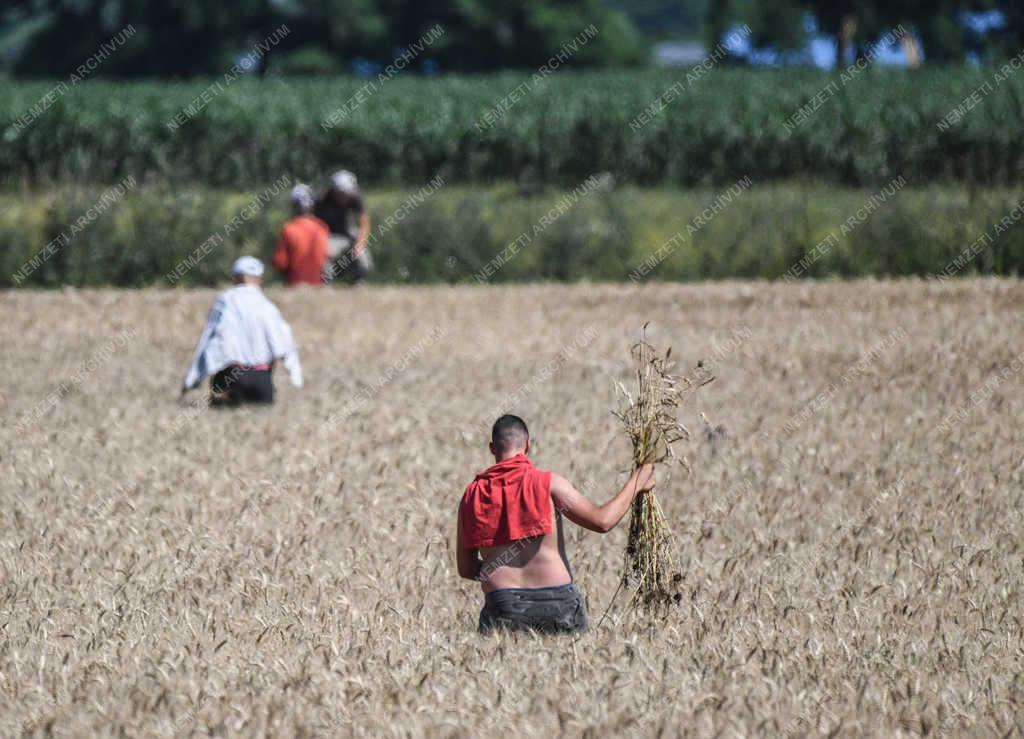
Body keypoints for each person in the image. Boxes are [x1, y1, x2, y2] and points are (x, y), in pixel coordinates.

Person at [456, 414, 656, 634]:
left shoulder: (472, 495)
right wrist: (637, 481)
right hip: (558, 603)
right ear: (528, 445)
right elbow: (603, 521)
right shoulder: (549, 484)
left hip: (503, 605)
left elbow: (466, 569)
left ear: (492, 448)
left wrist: (500, 570)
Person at [181, 256, 303, 406]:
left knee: (225, 409)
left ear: (235, 278)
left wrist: (191, 381)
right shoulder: (268, 306)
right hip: (262, 382)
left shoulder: (225, 301)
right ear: (259, 280)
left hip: (232, 379)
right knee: (260, 412)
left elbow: (207, 338)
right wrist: (296, 378)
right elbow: (285, 343)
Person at [314, 169, 372, 283]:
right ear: (334, 191)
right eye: (341, 194)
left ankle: (358, 282)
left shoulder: (356, 196)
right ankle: (326, 284)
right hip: (327, 234)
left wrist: (359, 245)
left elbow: (364, 224)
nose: (345, 197)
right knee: (324, 254)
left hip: (347, 232)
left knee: (362, 256)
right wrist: (321, 243)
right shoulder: (322, 199)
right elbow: (314, 224)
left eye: (347, 193)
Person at [271, 184, 329, 286]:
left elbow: (280, 263)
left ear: (294, 206)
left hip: (294, 286)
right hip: (318, 286)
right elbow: (326, 257)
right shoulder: (322, 228)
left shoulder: (289, 229)